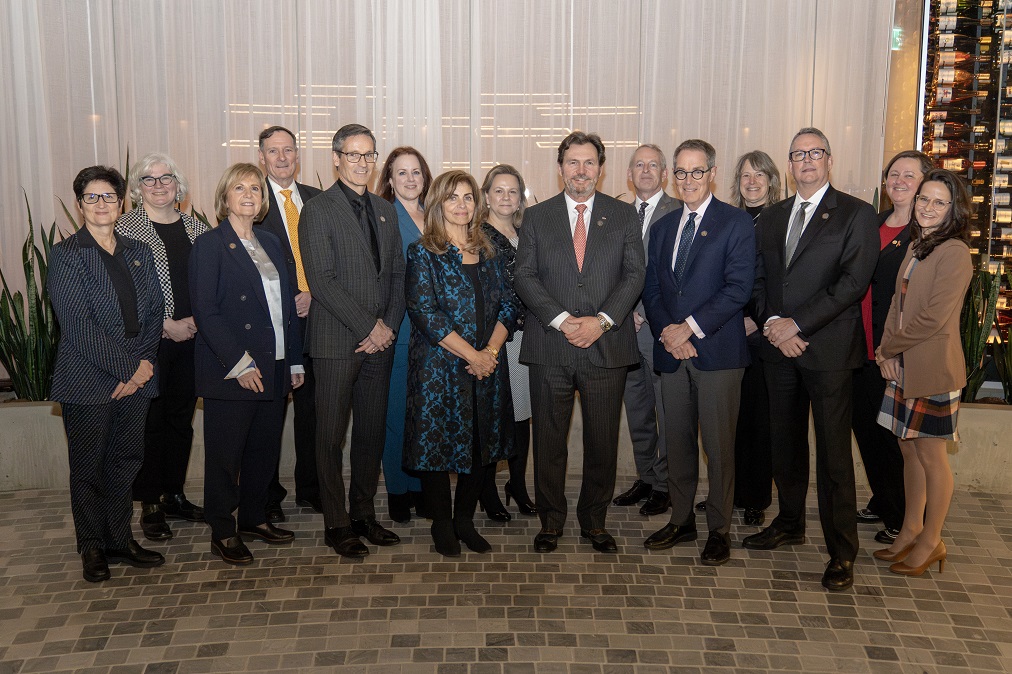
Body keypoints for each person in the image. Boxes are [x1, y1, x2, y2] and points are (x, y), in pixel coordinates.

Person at [745, 127, 878, 592]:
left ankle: (842, 553)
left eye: (814, 153)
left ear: (829, 160)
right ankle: (789, 522)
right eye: (797, 155)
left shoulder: (856, 214)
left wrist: (796, 325)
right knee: (785, 443)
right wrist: (772, 325)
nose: (806, 161)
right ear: (789, 163)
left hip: (828, 352)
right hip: (779, 351)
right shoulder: (773, 216)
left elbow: (852, 283)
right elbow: (757, 280)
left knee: (834, 459)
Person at [514, 131, 645, 554]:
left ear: (600, 169)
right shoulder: (537, 217)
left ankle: (595, 521)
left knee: (602, 441)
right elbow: (524, 275)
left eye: (589, 163)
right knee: (549, 441)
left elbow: (634, 275)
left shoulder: (624, 216)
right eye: (573, 162)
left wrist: (601, 322)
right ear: (560, 168)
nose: (581, 171)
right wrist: (564, 320)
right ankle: (550, 521)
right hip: (551, 344)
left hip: (606, 346)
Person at [640, 140, 755, 566]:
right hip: (672, 353)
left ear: (712, 173)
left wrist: (688, 328)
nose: (688, 180)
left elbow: (737, 289)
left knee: (720, 447)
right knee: (678, 441)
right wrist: (669, 333)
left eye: (697, 172)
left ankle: (719, 529)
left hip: (718, 354)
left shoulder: (736, 223)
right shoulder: (664, 227)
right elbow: (652, 288)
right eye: (681, 173)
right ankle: (682, 518)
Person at [49, 166, 165, 582]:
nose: (102, 204)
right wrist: (129, 369)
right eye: (92, 198)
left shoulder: (140, 250)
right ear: (80, 206)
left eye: (109, 197)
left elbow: (154, 314)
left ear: (121, 203)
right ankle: (92, 546)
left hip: (138, 374)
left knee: (126, 460)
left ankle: (119, 538)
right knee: (88, 468)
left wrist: (140, 368)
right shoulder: (66, 255)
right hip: (88, 380)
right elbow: (79, 327)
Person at [189, 163, 304, 565]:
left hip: (273, 366)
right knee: (226, 455)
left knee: (263, 450)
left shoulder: (271, 242)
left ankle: (254, 517)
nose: (250, 194)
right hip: (234, 368)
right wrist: (241, 363)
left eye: (256, 188)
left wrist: (292, 361)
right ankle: (223, 529)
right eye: (240, 187)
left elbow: (286, 309)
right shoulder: (210, 245)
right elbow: (206, 311)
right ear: (225, 197)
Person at [299, 124, 405, 558]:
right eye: (354, 155)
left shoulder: (384, 209)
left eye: (369, 155)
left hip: (381, 341)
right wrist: (369, 328)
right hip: (337, 340)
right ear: (336, 158)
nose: (363, 163)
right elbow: (322, 281)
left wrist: (389, 326)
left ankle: (364, 513)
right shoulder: (318, 210)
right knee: (330, 436)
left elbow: (398, 274)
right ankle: (337, 523)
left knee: (370, 432)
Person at [404, 170, 517, 556]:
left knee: (480, 445)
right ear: (438, 204)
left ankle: (465, 520)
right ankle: (442, 524)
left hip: (487, 364)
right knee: (436, 446)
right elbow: (424, 311)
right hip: (440, 367)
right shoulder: (423, 251)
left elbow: (508, 304)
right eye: (452, 198)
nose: (461, 205)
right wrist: (473, 355)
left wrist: (490, 353)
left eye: (468, 197)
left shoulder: (490, 251)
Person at [873, 168, 972, 576]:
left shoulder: (954, 252)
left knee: (932, 456)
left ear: (954, 210)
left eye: (938, 202)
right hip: (903, 366)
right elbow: (897, 304)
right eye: (923, 199)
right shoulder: (918, 245)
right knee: (907, 448)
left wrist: (886, 349)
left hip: (932, 369)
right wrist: (884, 351)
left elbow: (932, 319)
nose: (927, 207)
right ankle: (911, 529)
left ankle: (933, 540)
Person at [117, 153, 209, 542]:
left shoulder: (197, 228)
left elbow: (211, 282)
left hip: (193, 339)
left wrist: (196, 322)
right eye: (148, 180)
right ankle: (150, 502)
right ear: (137, 189)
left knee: (180, 420)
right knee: (150, 423)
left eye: (165, 178)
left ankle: (174, 493)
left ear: (178, 185)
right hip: (149, 342)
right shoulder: (125, 228)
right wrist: (164, 325)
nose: (158, 185)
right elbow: (121, 289)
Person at [853, 151, 932, 545]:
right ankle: (884, 499)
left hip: (893, 354)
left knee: (895, 438)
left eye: (909, 175)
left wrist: (895, 352)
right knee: (866, 430)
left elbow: (919, 306)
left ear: (925, 183)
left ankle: (904, 515)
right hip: (860, 347)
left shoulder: (926, 235)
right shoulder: (874, 222)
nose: (899, 180)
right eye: (893, 174)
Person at [254, 125, 323, 522]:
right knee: (269, 415)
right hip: (271, 327)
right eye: (273, 151)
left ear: (297, 155)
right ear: (261, 157)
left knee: (313, 411)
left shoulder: (316, 201)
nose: (282, 158)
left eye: (289, 150)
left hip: (317, 321)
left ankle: (311, 489)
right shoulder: (250, 201)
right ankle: (265, 494)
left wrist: (315, 293)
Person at [613, 144, 679, 517]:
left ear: (665, 173)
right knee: (637, 409)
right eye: (639, 165)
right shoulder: (618, 213)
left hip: (659, 329)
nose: (646, 171)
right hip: (622, 331)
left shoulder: (677, 211)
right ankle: (646, 476)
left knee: (666, 409)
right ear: (629, 173)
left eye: (653, 165)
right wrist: (622, 312)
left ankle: (665, 484)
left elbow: (671, 275)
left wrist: (641, 311)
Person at [723, 150, 783, 527]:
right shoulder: (728, 220)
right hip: (728, 333)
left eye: (759, 175)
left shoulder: (781, 220)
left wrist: (758, 322)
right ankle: (727, 493)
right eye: (745, 175)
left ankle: (756, 498)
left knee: (758, 421)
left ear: (772, 181)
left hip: (765, 337)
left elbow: (778, 281)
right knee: (727, 420)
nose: (752, 181)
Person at [478, 164, 538, 518]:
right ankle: (487, 491)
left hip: (530, 337)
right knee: (494, 416)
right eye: (498, 191)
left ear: (520, 198)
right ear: (486, 196)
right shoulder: (477, 237)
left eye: (512, 191)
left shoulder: (527, 234)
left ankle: (517, 483)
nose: (505, 197)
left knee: (522, 415)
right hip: (497, 339)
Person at [377, 146, 432, 523]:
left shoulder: (437, 215)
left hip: (436, 334)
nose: (410, 179)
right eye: (402, 173)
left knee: (425, 415)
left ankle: (420, 488)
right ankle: (398, 492)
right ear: (390, 180)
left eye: (416, 172)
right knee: (397, 414)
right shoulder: (384, 217)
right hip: (400, 329)